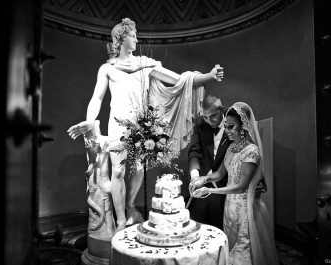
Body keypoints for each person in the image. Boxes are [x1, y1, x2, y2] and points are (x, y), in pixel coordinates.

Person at [67, 18, 224, 232]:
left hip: (141, 125)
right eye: (132, 35)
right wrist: (88, 120)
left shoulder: (145, 64)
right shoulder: (107, 69)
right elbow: (96, 98)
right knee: (119, 172)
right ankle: (121, 220)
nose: (136, 39)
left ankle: (130, 205)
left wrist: (208, 75)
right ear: (121, 39)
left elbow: (178, 79)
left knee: (139, 170)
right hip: (117, 125)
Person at [191, 102, 279, 265]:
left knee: (242, 254)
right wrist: (203, 179)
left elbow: (240, 187)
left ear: (244, 126)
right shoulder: (231, 147)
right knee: (229, 249)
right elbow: (219, 174)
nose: (227, 131)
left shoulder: (251, 151)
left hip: (245, 209)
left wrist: (208, 191)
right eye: (226, 126)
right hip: (229, 207)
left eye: (231, 127)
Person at [188, 95, 266, 230]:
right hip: (212, 189)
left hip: (231, 190)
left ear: (221, 110)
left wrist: (258, 183)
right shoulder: (203, 126)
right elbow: (196, 153)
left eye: (212, 116)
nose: (208, 121)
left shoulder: (236, 124)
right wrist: (200, 179)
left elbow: (251, 158)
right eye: (205, 117)